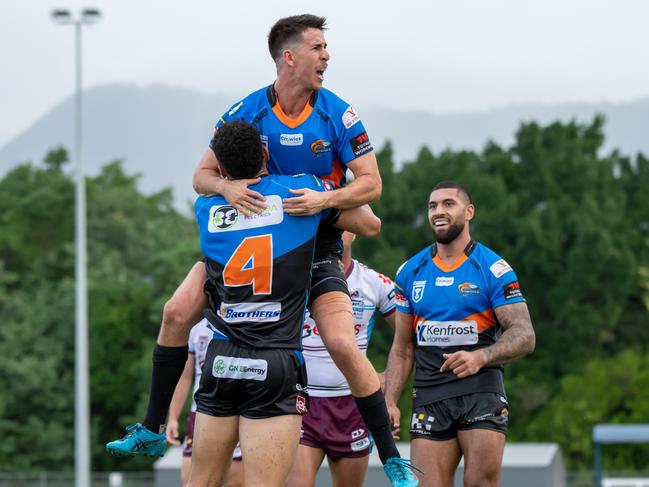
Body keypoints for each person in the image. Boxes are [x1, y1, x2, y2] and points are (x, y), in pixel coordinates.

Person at [107, 13, 417, 486]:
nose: (327, 56)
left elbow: (372, 187)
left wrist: (324, 200)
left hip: (314, 242)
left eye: (326, 48)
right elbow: (201, 177)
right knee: (175, 312)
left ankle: (391, 456)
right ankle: (151, 428)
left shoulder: (339, 113)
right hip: (251, 237)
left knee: (339, 341)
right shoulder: (245, 110)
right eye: (318, 48)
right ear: (288, 57)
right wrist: (230, 192)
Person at [185, 121, 376, 487]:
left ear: (221, 169)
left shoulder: (206, 208)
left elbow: (205, 184)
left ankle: (150, 423)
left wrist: (222, 186)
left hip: (221, 356)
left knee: (200, 482)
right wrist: (326, 198)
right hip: (274, 360)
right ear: (267, 155)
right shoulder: (300, 190)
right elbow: (369, 223)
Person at [384, 181, 536, 487]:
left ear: (469, 212)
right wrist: (389, 401)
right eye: (432, 206)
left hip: (480, 392)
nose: (439, 211)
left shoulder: (493, 268)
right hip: (429, 395)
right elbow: (402, 348)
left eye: (448, 204)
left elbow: (524, 334)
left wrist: (482, 356)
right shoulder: (409, 271)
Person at [286, 231, 396, 487]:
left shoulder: (374, 282)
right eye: (328, 226)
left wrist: (388, 380)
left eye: (342, 226)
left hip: (352, 405)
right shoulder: (294, 276)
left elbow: (408, 340)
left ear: (354, 232)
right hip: (302, 400)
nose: (336, 233)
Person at [166, 319, 243, 487]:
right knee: (191, 480)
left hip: (236, 411)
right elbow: (184, 377)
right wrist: (172, 418)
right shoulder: (194, 325)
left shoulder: (242, 317)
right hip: (200, 412)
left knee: (235, 481)